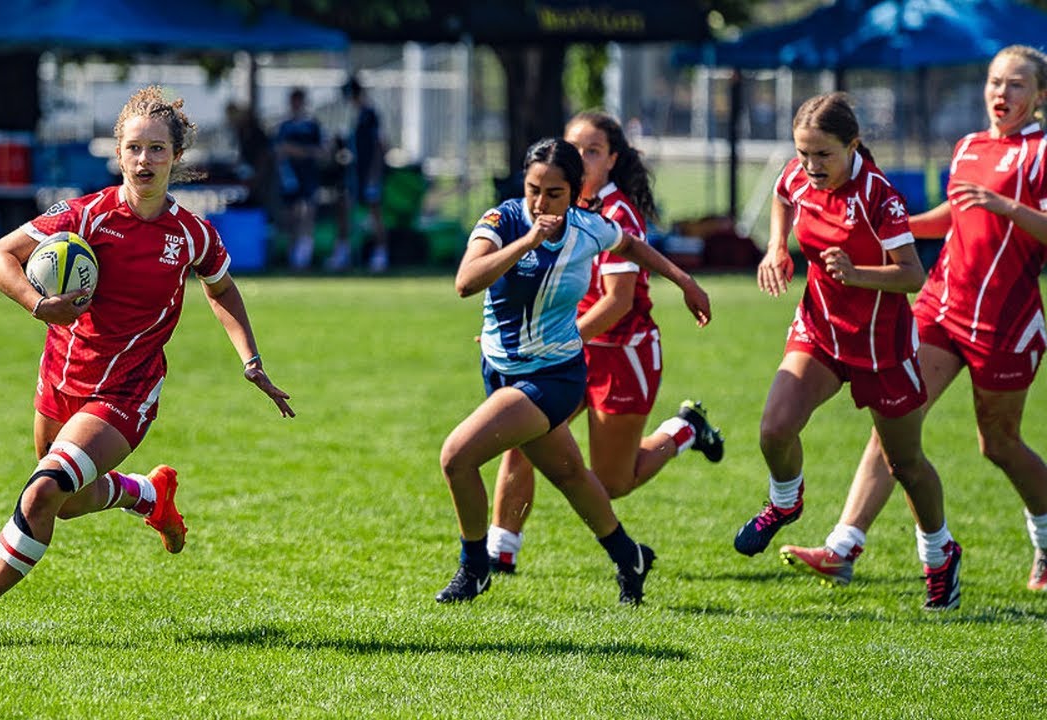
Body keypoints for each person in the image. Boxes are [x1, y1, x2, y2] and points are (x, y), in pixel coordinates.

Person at [0, 85, 295, 646]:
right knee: (68, 504)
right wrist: (37, 303)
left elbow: (222, 290)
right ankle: (148, 495)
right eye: (134, 148)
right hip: (62, 377)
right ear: (118, 154)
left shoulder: (192, 233)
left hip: (127, 389)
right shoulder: (84, 215)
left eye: (157, 150)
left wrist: (251, 360)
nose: (144, 160)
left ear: (176, 157)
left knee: (42, 492)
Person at [780, 46, 1047, 594]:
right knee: (894, 423)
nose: (1002, 93)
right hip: (941, 305)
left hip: (1005, 319)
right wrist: (893, 230)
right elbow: (957, 212)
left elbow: (998, 210)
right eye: (995, 81)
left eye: (1017, 85)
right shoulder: (970, 145)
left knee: (998, 443)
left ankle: (1045, 539)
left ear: (1040, 95)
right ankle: (843, 546)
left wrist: (1007, 208)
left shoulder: (1042, 152)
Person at [436, 137, 712, 606]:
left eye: (554, 194)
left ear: (576, 190)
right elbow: (466, 281)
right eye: (532, 189)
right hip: (500, 369)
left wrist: (685, 282)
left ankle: (475, 566)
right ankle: (630, 557)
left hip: (554, 377)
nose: (540, 203)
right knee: (571, 476)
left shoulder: (589, 229)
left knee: (455, 457)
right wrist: (526, 240)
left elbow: (634, 246)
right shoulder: (501, 220)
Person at [732, 92, 961, 610]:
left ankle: (939, 554)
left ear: (852, 145)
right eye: (804, 153)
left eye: (823, 155)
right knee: (774, 428)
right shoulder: (799, 175)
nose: (810, 166)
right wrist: (775, 248)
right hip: (820, 330)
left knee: (905, 464)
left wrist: (856, 274)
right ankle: (785, 504)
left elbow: (912, 276)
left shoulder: (880, 198)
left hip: (881, 348)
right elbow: (783, 193)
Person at [328, 75, 390, 273]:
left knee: (375, 213)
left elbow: (380, 145)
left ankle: (381, 254)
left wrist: (374, 173)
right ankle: (343, 252)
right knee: (345, 209)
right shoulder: (353, 116)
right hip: (354, 174)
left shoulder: (370, 114)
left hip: (369, 173)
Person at [275, 87, 324, 270]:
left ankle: (304, 255)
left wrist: (298, 151)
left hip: (308, 176)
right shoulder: (284, 126)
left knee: (307, 213)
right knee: (291, 216)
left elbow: (321, 152)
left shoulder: (312, 126)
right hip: (289, 178)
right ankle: (293, 253)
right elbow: (278, 151)